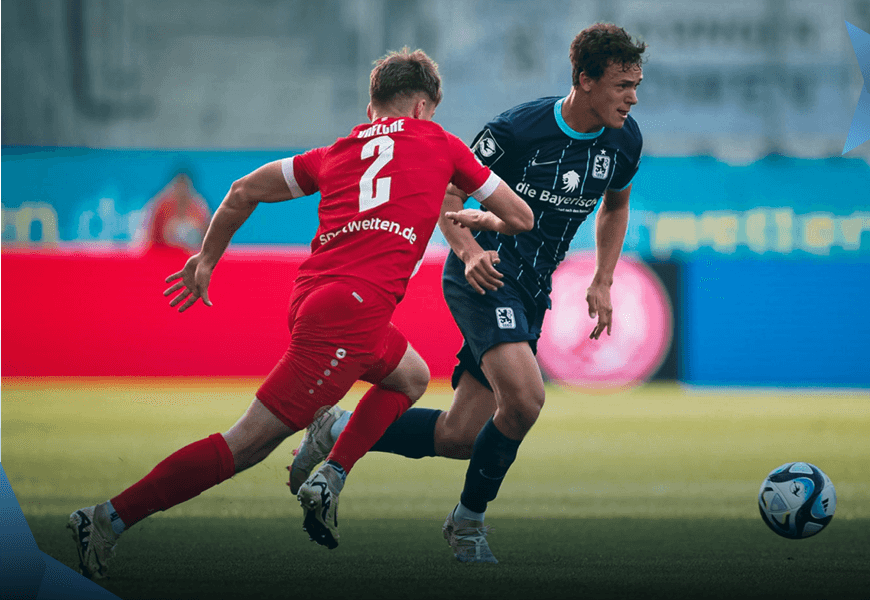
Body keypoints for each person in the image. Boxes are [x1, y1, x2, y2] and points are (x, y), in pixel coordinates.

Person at [67, 47, 533, 579]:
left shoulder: (335, 151)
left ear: (371, 107)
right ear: (425, 108)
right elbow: (519, 215)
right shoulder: (442, 143)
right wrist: (476, 220)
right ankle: (106, 519)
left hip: (313, 298)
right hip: (351, 314)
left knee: (411, 376)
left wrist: (207, 259)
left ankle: (331, 470)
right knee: (246, 444)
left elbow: (244, 190)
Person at [287, 23, 647, 564]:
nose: (633, 97)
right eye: (622, 85)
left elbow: (615, 206)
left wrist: (602, 277)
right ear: (585, 79)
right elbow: (447, 191)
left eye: (636, 84)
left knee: (460, 435)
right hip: (484, 272)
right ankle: (467, 524)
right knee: (526, 399)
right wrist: (469, 251)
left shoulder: (625, 140)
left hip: (531, 290)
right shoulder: (517, 129)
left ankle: (336, 426)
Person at [140, 170, 211, 255]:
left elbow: (210, 240)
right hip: (165, 257)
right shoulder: (161, 207)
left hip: (191, 258)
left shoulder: (199, 209)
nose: (181, 193)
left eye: (184, 189)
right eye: (179, 188)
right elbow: (149, 240)